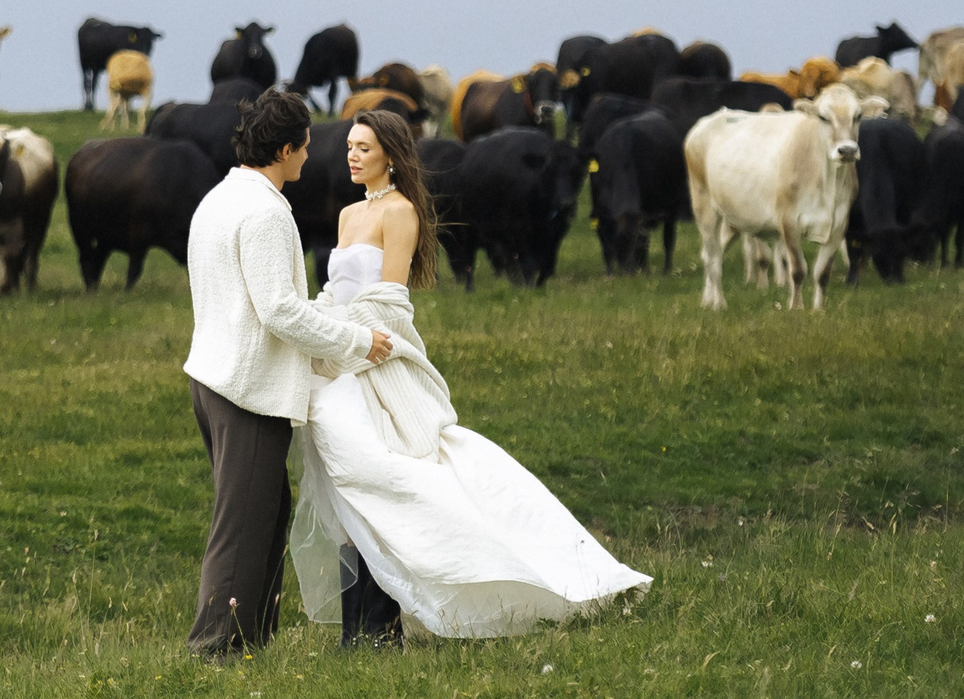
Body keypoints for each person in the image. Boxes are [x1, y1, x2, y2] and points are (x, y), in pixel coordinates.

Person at [288, 110, 651, 643]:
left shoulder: (401, 212)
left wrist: (343, 336)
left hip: (376, 361)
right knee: (346, 490)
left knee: (385, 477)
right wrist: (315, 330)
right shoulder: (346, 214)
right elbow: (336, 290)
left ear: (390, 154)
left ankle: (399, 616)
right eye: (349, 146)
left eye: (364, 147)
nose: (352, 156)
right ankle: (359, 634)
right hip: (340, 364)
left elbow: (388, 302)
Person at [181, 89, 390, 656]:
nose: (309, 155)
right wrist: (356, 340)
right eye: (304, 145)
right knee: (244, 522)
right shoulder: (267, 212)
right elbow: (276, 309)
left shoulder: (220, 198)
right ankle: (214, 648)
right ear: (286, 148)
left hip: (214, 376)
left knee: (267, 515)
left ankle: (250, 640)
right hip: (245, 388)